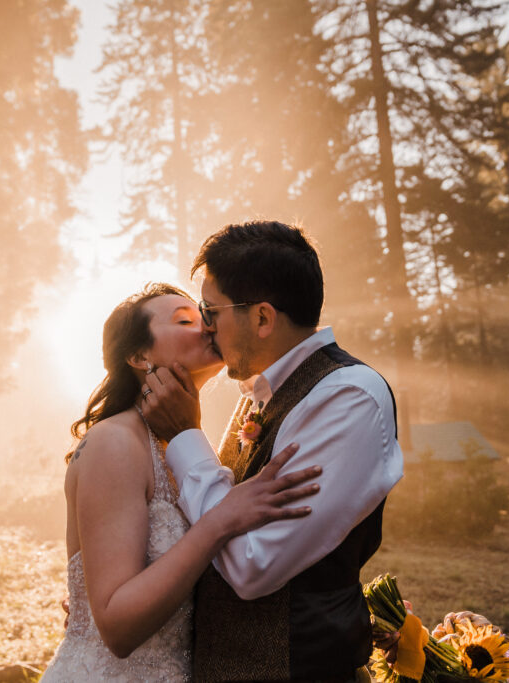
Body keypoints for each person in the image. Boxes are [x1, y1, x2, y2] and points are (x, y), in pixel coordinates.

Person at [141, 221, 405, 682]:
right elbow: (209, 528)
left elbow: (251, 566)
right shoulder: (258, 393)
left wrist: (185, 436)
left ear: (262, 317)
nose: (205, 326)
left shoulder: (349, 398)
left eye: (211, 310)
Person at [40, 282, 322, 682]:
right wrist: (221, 520)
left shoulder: (183, 444)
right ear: (139, 355)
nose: (207, 325)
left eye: (205, 314)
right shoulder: (115, 442)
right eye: (185, 320)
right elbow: (118, 628)